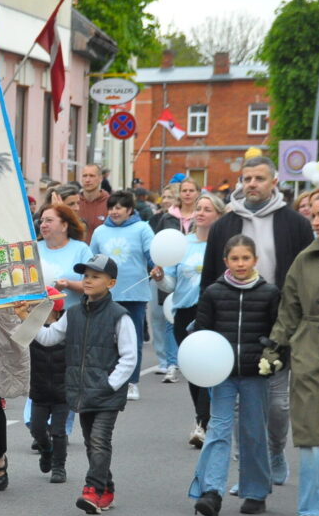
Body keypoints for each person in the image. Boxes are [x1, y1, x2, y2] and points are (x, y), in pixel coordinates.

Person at [201, 156, 314, 486]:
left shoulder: (295, 224)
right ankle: (247, 470)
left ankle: (275, 451)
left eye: (259, 178)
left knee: (277, 405)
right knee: (240, 408)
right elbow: (209, 278)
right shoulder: (225, 225)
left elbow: (307, 275)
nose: (252, 184)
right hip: (233, 327)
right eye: (247, 178)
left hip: (279, 325)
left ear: (274, 182)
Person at [19, 254, 137, 516]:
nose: (88, 280)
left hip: (106, 394)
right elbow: (48, 338)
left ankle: (92, 490)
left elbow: (129, 357)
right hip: (81, 392)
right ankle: (106, 488)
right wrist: (27, 318)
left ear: (111, 282)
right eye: (86, 276)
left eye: (96, 276)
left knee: (99, 440)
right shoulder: (73, 314)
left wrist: (109, 384)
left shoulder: (120, 316)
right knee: (91, 443)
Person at [189, 235, 279, 516]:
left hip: (255, 374)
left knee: (253, 431)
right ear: (226, 261)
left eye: (246, 258)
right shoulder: (214, 292)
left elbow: (278, 333)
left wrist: (273, 358)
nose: (240, 264)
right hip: (222, 374)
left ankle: (255, 492)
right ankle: (211, 492)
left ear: (255, 260)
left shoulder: (269, 293)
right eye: (235, 259)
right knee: (218, 429)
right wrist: (204, 363)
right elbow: (202, 332)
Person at [263, 190, 319, 516]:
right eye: (313, 215)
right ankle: (312, 509)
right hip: (310, 353)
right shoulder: (304, 260)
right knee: (312, 434)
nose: (316, 221)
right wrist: (274, 349)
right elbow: (289, 310)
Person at [153, 193, 225, 446]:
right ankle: (203, 418)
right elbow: (171, 284)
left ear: (219, 215)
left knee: (209, 368)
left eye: (207, 209)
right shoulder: (183, 244)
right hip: (184, 312)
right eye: (199, 208)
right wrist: (160, 278)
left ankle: (204, 423)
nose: (201, 213)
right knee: (193, 370)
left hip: (214, 311)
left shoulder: (223, 244)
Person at [90, 190, 154, 401]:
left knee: (133, 340)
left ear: (130, 210)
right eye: (111, 207)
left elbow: (153, 256)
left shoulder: (142, 229)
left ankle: (132, 382)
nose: (114, 212)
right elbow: (92, 260)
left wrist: (157, 268)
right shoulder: (100, 231)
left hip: (134, 294)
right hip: (105, 294)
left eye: (119, 208)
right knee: (105, 340)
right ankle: (108, 379)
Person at [150, 179, 201, 380]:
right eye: (184, 190)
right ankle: (172, 363)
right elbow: (159, 243)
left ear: (198, 193)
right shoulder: (167, 218)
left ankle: (193, 360)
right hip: (172, 270)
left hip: (195, 273)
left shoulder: (203, 216)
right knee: (170, 317)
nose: (187, 194)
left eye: (191, 190)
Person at [29, 288, 69, 483]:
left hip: (63, 392)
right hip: (39, 390)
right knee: (37, 429)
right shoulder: (31, 328)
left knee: (59, 432)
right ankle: (47, 450)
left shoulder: (68, 328)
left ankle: (59, 467)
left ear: (53, 308)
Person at [37, 204, 92, 309]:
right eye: (41, 221)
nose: (43, 225)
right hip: (41, 314)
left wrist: (68, 284)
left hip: (73, 314)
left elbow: (92, 284)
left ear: (64, 226)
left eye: (49, 220)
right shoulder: (34, 249)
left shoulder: (81, 249)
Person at [77, 163, 110, 241]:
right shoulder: (74, 202)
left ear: (100, 178)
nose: (87, 180)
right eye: (84, 176)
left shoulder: (110, 203)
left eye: (92, 176)